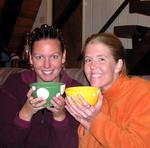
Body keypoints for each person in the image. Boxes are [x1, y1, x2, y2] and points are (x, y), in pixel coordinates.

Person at [0, 24, 80, 148]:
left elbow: (73, 145)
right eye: (39, 57)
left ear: (63, 57)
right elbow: (6, 143)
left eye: (54, 56)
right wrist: (25, 113)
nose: (47, 65)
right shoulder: (14, 84)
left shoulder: (76, 91)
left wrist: (60, 116)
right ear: (31, 59)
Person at [65, 32, 150, 148]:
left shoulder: (142, 92)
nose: (93, 66)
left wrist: (95, 120)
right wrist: (86, 125)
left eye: (101, 59)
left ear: (118, 65)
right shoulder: (93, 97)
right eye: (88, 60)